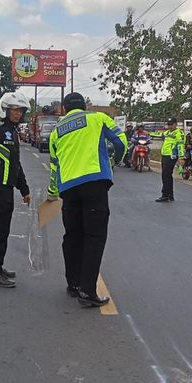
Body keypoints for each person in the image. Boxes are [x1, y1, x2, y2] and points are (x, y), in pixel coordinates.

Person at [47, 92, 127, 307]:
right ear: (85, 106)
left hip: (68, 189)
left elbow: (54, 166)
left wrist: (53, 191)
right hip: (94, 184)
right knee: (94, 236)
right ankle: (87, 291)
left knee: (72, 235)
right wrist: (115, 162)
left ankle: (72, 284)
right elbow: (121, 143)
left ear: (64, 109)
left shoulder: (56, 131)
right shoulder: (97, 118)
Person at [0, 92, 32, 288]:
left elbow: (15, 165)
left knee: (3, 231)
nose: (17, 114)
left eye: (20, 111)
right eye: (14, 110)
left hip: (7, 190)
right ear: (5, 110)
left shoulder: (14, 133)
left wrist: (24, 189)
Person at [150, 117, 186, 202]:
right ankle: (170, 195)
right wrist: (149, 133)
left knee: (165, 175)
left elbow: (181, 145)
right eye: (168, 124)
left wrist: (181, 157)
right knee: (168, 175)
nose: (169, 126)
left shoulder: (179, 133)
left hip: (171, 156)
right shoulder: (167, 132)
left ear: (175, 124)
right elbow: (159, 134)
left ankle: (165, 194)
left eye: (171, 124)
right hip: (165, 155)